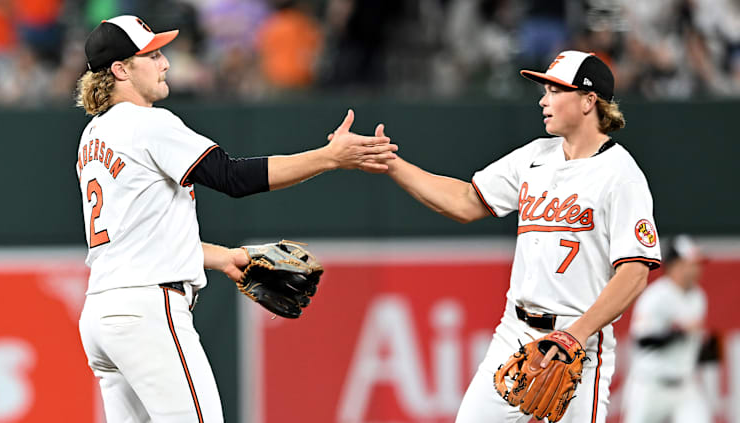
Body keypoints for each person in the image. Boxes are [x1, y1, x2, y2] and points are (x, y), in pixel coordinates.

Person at [74, 15, 396, 422]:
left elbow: (136, 239)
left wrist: (223, 257)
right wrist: (329, 157)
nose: (165, 63)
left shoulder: (93, 136)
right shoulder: (147, 123)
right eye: (151, 55)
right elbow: (232, 177)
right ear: (121, 69)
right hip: (147, 312)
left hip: (102, 315)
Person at [376, 51, 661, 422]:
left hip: (578, 341)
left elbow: (635, 272)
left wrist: (576, 334)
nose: (543, 100)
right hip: (515, 333)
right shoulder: (534, 157)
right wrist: (391, 163)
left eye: (555, 90)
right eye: (544, 90)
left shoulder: (621, 174)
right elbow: (465, 201)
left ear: (589, 101)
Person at [622, 235, 710, 423]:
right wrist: (679, 332)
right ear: (675, 266)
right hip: (651, 385)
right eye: (691, 263)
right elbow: (643, 341)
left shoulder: (698, 297)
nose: (697, 269)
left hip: (685, 385)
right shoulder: (656, 296)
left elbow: (693, 345)